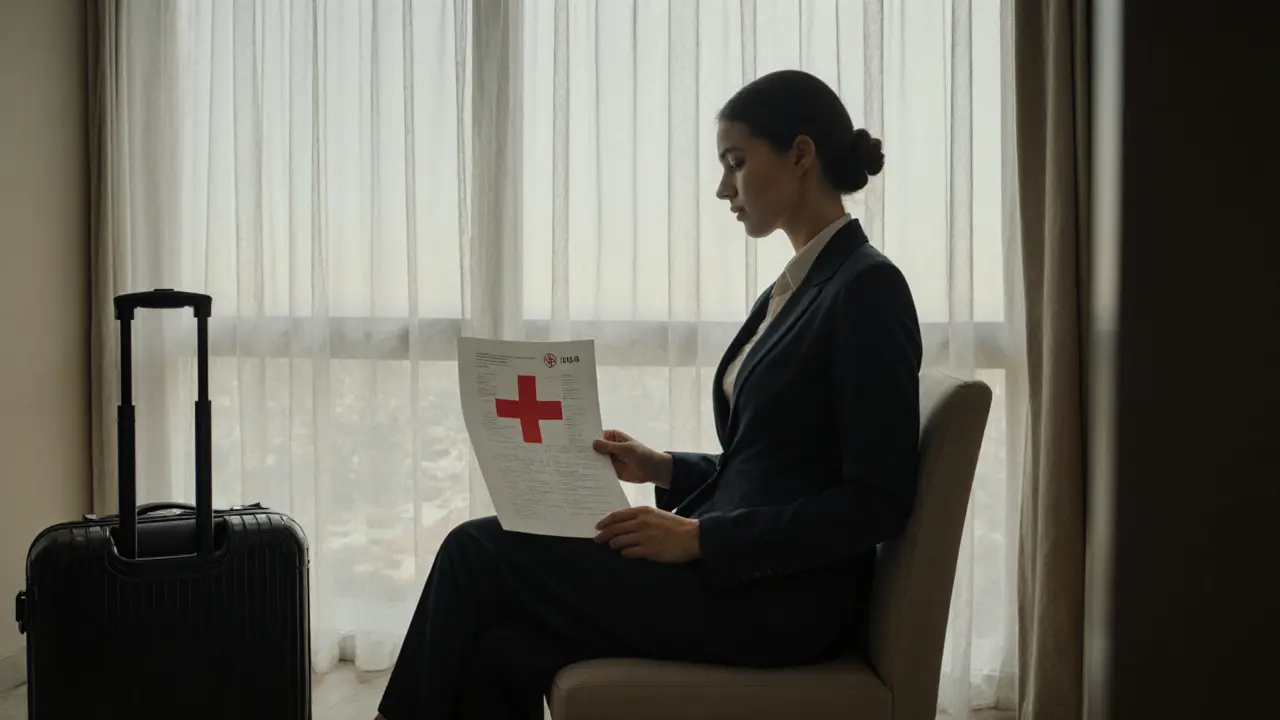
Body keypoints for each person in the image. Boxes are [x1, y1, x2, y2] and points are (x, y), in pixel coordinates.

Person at [374, 68, 923, 720]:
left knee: (475, 550)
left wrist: (700, 540)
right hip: (736, 575)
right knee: (503, 649)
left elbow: (876, 501)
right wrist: (664, 467)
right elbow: (780, 462)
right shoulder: (800, 286)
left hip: (776, 601)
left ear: (801, 155)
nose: (724, 188)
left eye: (736, 163)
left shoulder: (865, 289)